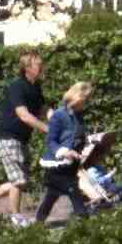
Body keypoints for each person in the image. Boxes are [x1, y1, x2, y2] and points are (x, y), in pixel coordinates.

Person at [0, 52, 50, 224]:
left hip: (21, 139)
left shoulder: (36, 87)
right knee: (19, 179)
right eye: (38, 64)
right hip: (8, 137)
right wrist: (48, 129)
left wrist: (61, 123)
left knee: (19, 179)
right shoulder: (17, 87)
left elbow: (45, 110)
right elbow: (24, 115)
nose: (42, 67)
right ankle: (15, 217)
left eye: (42, 64)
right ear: (27, 68)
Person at [36, 82, 101, 225]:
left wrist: (90, 142)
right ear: (77, 98)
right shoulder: (59, 115)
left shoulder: (79, 116)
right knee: (74, 191)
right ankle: (85, 224)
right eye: (85, 100)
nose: (87, 103)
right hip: (58, 165)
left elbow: (78, 139)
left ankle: (38, 224)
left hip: (72, 165)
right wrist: (65, 152)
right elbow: (51, 141)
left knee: (51, 196)